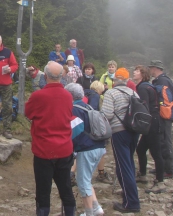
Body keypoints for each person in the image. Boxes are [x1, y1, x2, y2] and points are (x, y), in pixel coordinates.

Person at [25, 61, 76, 216]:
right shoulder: (68, 96)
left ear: (45, 76)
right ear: (61, 76)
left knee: (43, 191)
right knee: (66, 188)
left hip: (43, 151)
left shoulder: (38, 96)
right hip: (65, 149)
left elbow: (28, 114)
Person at [101, 68, 140, 213]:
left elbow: (107, 114)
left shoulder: (111, 93)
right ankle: (130, 196)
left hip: (119, 132)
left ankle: (131, 203)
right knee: (129, 163)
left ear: (115, 80)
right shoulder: (133, 92)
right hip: (134, 131)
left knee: (123, 167)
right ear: (127, 80)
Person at [65, 83, 105, 216]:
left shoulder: (74, 108)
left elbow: (74, 130)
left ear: (69, 95)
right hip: (99, 146)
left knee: (82, 182)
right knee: (86, 180)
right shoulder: (86, 106)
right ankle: (96, 208)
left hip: (87, 149)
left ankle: (89, 213)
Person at [133, 65, 166, 194]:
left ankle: (160, 182)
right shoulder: (148, 85)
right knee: (141, 149)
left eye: (137, 71)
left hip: (152, 123)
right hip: (155, 121)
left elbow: (143, 107)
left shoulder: (142, 87)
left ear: (143, 74)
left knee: (156, 153)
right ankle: (142, 175)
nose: (134, 72)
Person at [148, 60, 173, 178]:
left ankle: (169, 170)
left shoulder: (162, 81)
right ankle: (162, 167)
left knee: (165, 142)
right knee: (161, 141)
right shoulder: (162, 80)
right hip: (164, 115)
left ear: (155, 68)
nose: (150, 70)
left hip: (165, 116)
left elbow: (163, 99)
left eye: (151, 68)